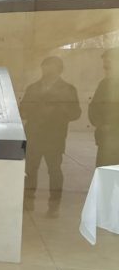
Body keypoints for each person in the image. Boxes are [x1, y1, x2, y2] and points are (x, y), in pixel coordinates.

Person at [20, 56, 81, 214]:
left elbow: (75, 113)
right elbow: (23, 109)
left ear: (59, 69)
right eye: (44, 66)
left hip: (54, 137)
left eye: (50, 66)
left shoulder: (68, 89)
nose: (46, 69)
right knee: (30, 170)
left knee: (54, 170)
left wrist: (57, 110)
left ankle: (54, 206)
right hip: (33, 136)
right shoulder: (33, 88)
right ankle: (28, 202)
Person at [89, 48, 119, 167]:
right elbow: (93, 108)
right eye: (105, 64)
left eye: (109, 63)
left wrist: (112, 125)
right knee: (104, 176)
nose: (105, 67)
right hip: (105, 141)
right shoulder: (104, 84)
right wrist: (100, 124)